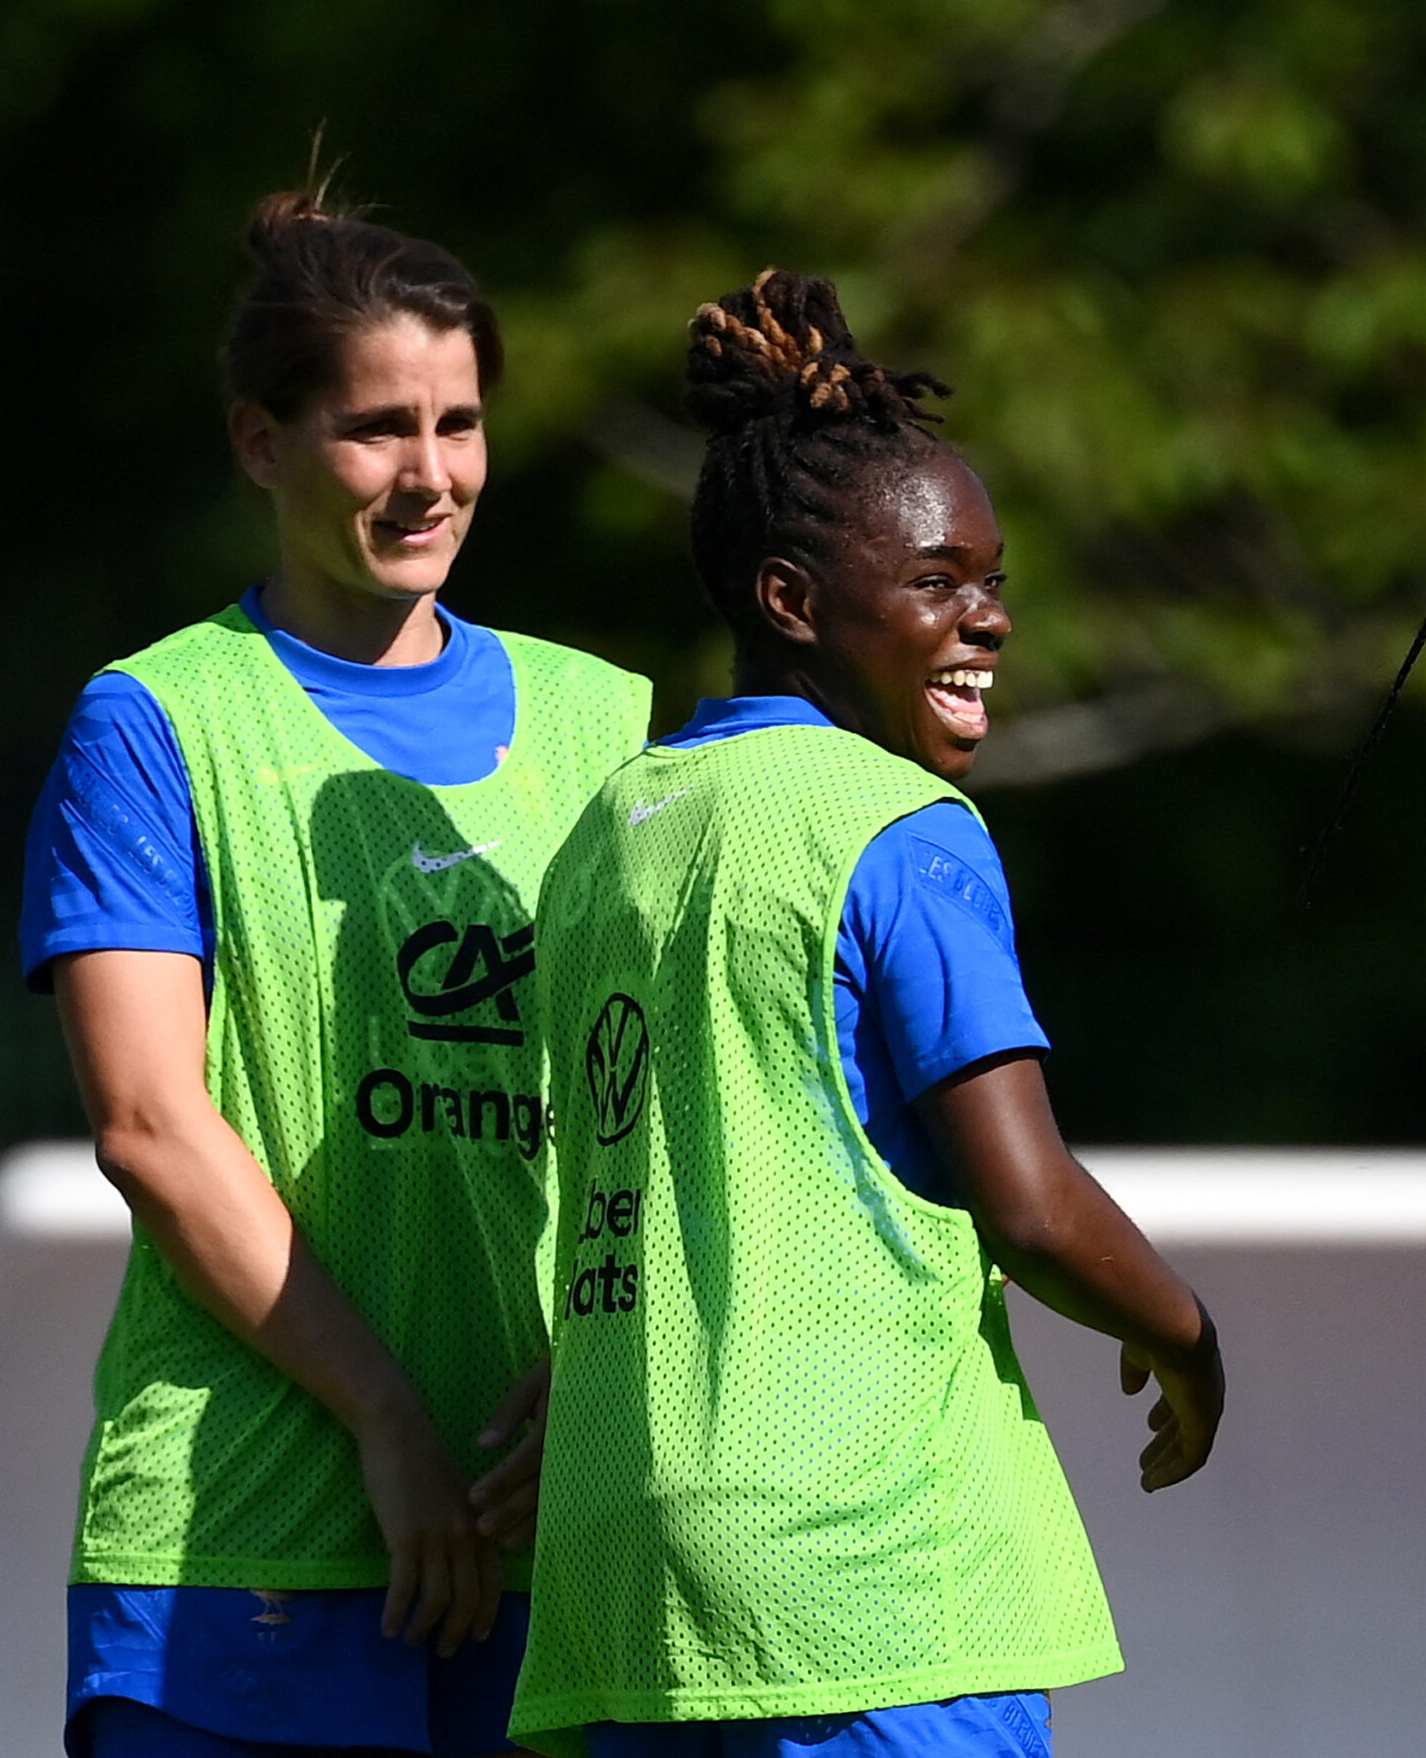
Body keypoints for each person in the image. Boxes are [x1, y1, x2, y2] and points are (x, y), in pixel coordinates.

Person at [512, 270, 1224, 1758]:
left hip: (618, 1576)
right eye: (940, 583)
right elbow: (1026, 1204)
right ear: (792, 602)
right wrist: (1186, 1337)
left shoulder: (608, 827)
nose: (991, 620)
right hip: (865, 1569)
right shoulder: (899, 826)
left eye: (993, 578)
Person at [21, 185, 656, 1758]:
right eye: (378, 428)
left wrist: (600, 1377)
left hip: (541, 1535)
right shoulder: (158, 722)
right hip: (246, 1541)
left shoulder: (609, 724)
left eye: (461, 423)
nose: (431, 475)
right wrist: (384, 1417)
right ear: (261, 442)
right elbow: (152, 1125)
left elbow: (667, 1111)